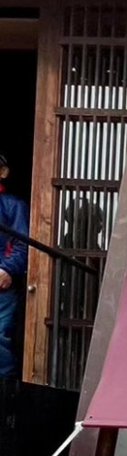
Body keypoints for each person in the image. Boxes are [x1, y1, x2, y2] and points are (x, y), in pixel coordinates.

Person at [0, 152, 28, 379]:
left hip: (2, 286)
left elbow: (23, 244)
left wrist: (7, 269)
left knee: (0, 342)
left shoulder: (12, 206)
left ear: (3, 172)